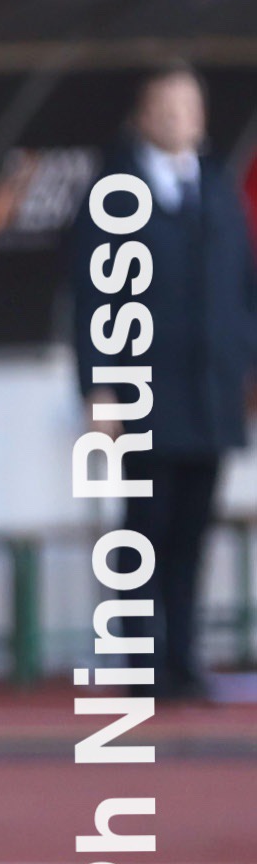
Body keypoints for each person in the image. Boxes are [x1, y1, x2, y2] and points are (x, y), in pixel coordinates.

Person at [74, 65, 254, 701]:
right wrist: (98, 387)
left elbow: (242, 287)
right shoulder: (114, 192)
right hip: (143, 390)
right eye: (168, 105)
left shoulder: (217, 188)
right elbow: (93, 297)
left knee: (192, 533)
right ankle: (139, 659)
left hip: (210, 393)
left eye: (190, 105)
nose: (180, 117)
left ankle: (182, 658)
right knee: (144, 527)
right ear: (143, 115)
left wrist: (245, 367)